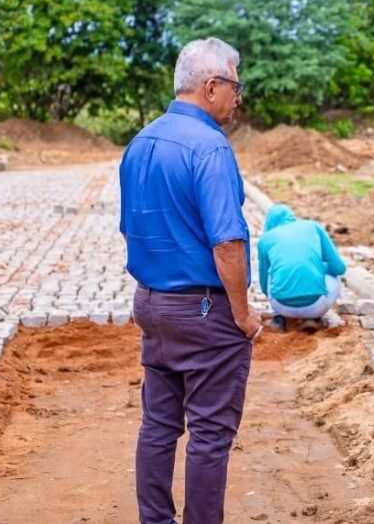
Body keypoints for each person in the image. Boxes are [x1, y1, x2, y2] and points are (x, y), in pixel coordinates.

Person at [120, 37, 262, 523]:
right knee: (209, 433)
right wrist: (241, 315)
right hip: (204, 312)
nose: (238, 98)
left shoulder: (141, 142)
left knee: (158, 425)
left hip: (152, 305)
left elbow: (129, 227)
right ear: (211, 87)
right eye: (235, 87)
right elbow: (227, 243)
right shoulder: (210, 148)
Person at [257, 203, 346, 331]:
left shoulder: (265, 239)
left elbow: (264, 282)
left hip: (281, 306)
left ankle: (278, 319)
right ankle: (313, 318)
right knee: (333, 274)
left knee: (273, 271)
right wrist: (320, 268)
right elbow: (339, 268)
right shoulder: (313, 227)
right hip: (316, 305)